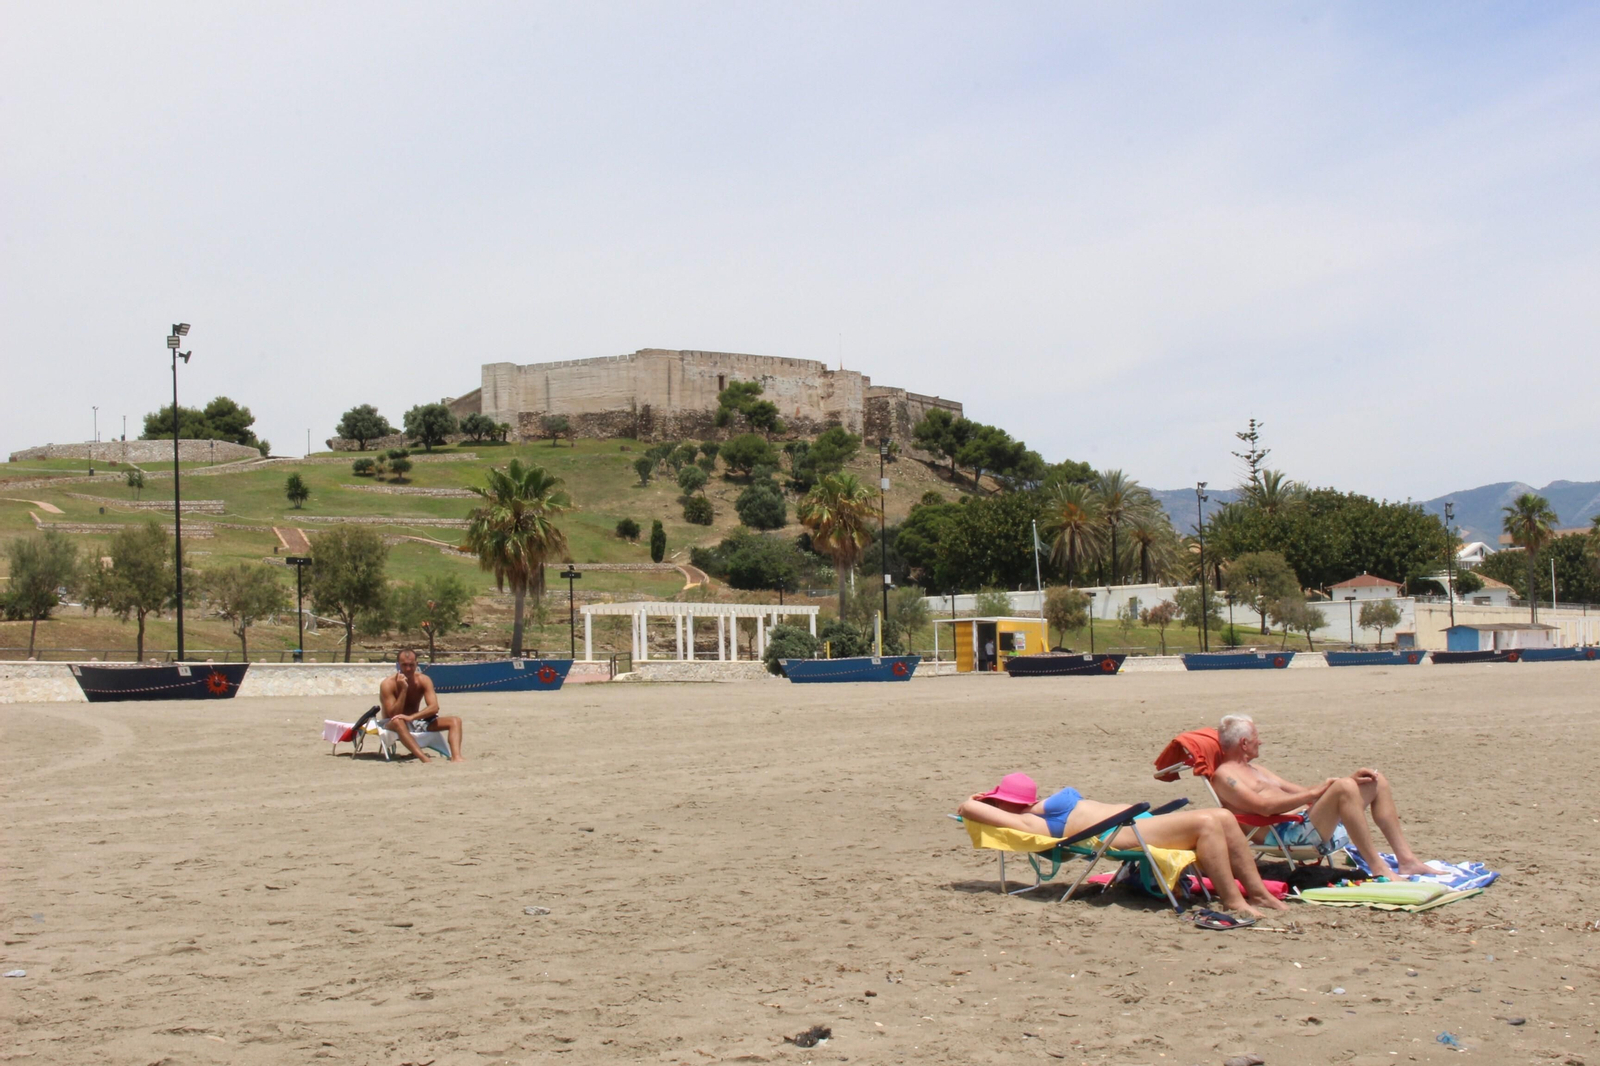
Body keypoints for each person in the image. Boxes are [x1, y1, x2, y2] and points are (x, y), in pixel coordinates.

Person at [958, 772, 1289, 918]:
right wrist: (977, 800)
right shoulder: (1030, 822)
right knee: (1207, 822)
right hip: (1118, 834)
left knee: (1225, 817)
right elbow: (967, 808)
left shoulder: (1037, 808)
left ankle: (1258, 892)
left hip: (1135, 822)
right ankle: (1233, 900)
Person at [1210, 714, 1428, 878]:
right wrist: (1322, 791)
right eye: (1256, 738)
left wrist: (1345, 782)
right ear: (1244, 743)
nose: (1260, 742)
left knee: (1375, 781)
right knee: (1344, 787)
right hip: (1285, 834)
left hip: (1305, 821)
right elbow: (1264, 808)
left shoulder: (1257, 770)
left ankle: (1407, 860)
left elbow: (1301, 792)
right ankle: (1378, 867)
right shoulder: (1225, 776)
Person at [377, 649, 465, 763]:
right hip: (392, 722)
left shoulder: (423, 680)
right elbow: (393, 714)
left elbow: (434, 707)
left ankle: (456, 757)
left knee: (455, 721)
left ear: (416, 664)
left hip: (416, 721)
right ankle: (424, 758)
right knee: (398, 721)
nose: (408, 669)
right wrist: (403, 689)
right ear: (398, 665)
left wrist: (412, 717)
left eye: (411, 665)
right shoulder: (388, 684)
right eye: (404, 665)